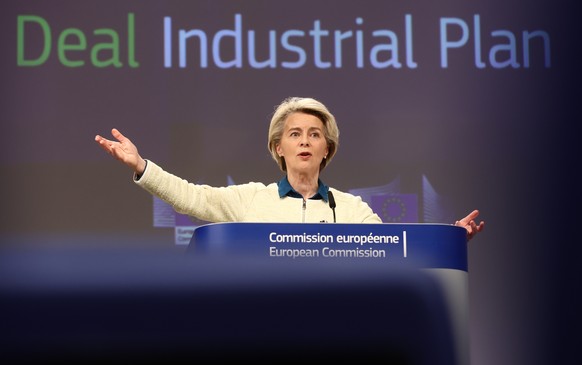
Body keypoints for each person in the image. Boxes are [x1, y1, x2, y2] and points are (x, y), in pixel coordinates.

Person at [95, 97, 484, 239]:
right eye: (295, 134)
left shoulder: (353, 211)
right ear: (278, 147)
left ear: (326, 149)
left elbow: (394, 251)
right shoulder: (251, 198)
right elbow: (191, 197)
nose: (304, 141)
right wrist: (142, 165)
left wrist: (445, 240)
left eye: (314, 134)